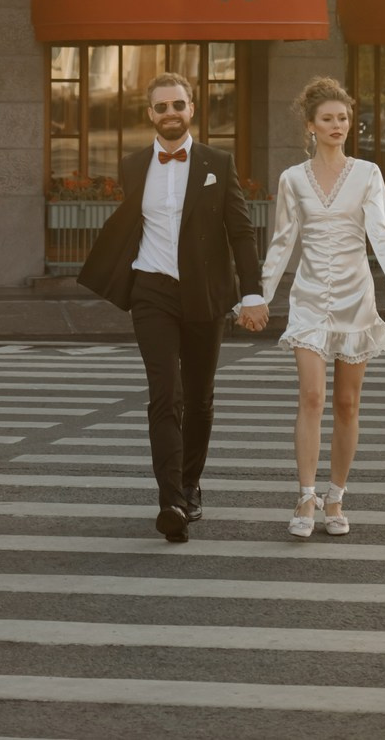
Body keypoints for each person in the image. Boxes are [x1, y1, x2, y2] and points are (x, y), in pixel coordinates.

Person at [78, 71, 268, 543]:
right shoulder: (133, 164)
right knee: (166, 395)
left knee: (200, 398)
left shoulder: (217, 163)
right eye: (161, 107)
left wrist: (253, 291)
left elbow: (241, 233)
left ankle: (190, 482)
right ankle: (171, 502)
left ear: (191, 109)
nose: (170, 114)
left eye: (178, 105)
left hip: (205, 294)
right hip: (152, 292)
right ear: (149, 113)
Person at [260, 75, 385, 540]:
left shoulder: (368, 173)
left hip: (357, 298)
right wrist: (262, 296)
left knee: (348, 404)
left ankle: (336, 496)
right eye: (328, 118)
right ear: (310, 125)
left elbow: (382, 236)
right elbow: (281, 242)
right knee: (311, 397)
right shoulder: (292, 179)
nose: (338, 125)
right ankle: (305, 496)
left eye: (344, 117)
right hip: (309, 299)